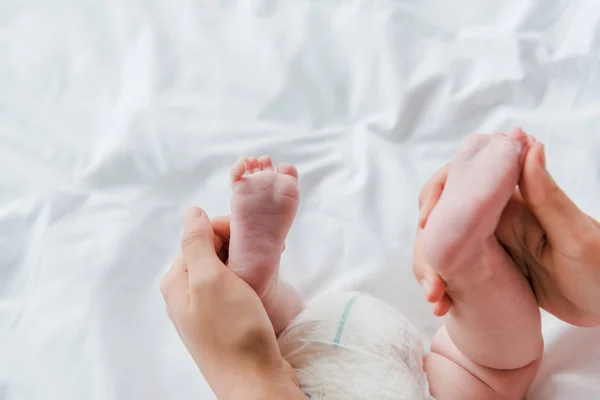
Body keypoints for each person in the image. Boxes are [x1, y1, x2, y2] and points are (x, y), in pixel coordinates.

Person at [161, 129, 600, 399]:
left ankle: (467, 261)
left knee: (492, 369)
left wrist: (241, 371)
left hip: (297, 378)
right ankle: (465, 258)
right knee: (483, 370)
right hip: (348, 361)